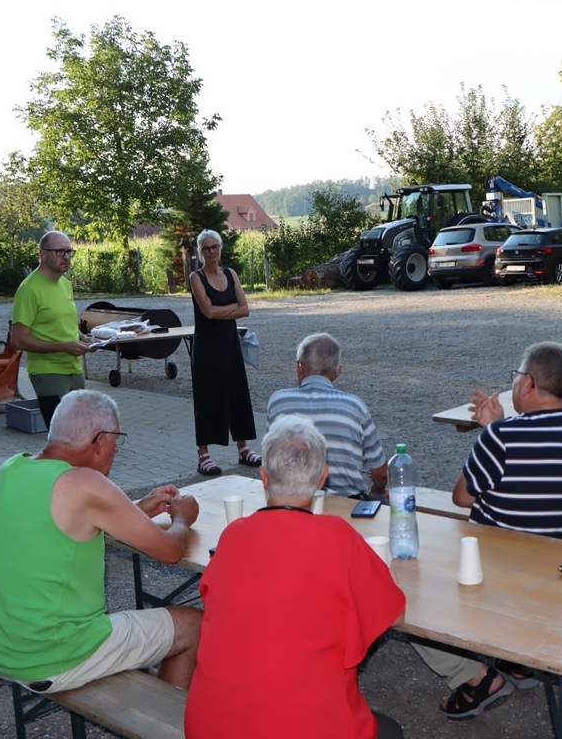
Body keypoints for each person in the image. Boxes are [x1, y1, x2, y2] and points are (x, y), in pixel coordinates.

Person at [185, 414, 406, 739]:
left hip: (209, 728)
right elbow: (395, 614)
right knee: (390, 731)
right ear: (322, 479)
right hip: (309, 728)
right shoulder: (336, 537)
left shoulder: (232, 537)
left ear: (262, 477)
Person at [0, 390, 202, 693]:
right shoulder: (84, 483)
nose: (117, 450)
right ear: (99, 440)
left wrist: (139, 508)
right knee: (194, 624)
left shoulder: (12, 467)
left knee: (146, 637)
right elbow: (171, 550)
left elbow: (65, 529)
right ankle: (169, 722)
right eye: (116, 440)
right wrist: (182, 517)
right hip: (50, 656)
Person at [413, 341, 562, 718]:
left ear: (527, 384)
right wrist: (497, 427)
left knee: (411, 591)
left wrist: (493, 431)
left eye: (515, 377)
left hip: (502, 578)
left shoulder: (501, 437)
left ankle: (477, 678)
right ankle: (518, 662)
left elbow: (461, 498)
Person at [266, 333, 387, 498]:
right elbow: (380, 473)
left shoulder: (278, 401)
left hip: (289, 499)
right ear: (338, 371)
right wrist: (378, 491)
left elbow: (270, 458)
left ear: (299, 367)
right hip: (346, 502)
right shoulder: (354, 405)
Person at [189, 229, 259, 476]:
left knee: (237, 392)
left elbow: (246, 309)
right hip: (207, 347)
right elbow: (208, 313)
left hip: (229, 344)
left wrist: (223, 310)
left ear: (221, 248)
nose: (211, 252)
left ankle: (243, 448)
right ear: (201, 252)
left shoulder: (230, 274)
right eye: (206, 248)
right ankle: (204, 455)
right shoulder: (196, 277)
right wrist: (231, 309)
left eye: (215, 246)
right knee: (208, 397)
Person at [10, 230, 94, 428]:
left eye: (69, 252)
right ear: (43, 254)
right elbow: (18, 340)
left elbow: (69, 329)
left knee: (79, 432)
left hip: (75, 370)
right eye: (60, 252)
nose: (66, 257)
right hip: (48, 372)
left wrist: (86, 340)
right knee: (62, 435)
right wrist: (64, 347)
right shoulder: (29, 289)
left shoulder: (65, 284)